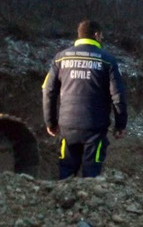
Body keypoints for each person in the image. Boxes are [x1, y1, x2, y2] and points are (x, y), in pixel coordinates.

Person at [42, 19, 128, 179]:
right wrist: (120, 124)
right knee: (91, 176)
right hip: (94, 129)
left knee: (66, 174)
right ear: (97, 35)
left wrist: (50, 122)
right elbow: (118, 95)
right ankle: (88, 201)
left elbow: (48, 90)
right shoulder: (107, 60)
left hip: (67, 127)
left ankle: (63, 202)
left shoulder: (60, 58)